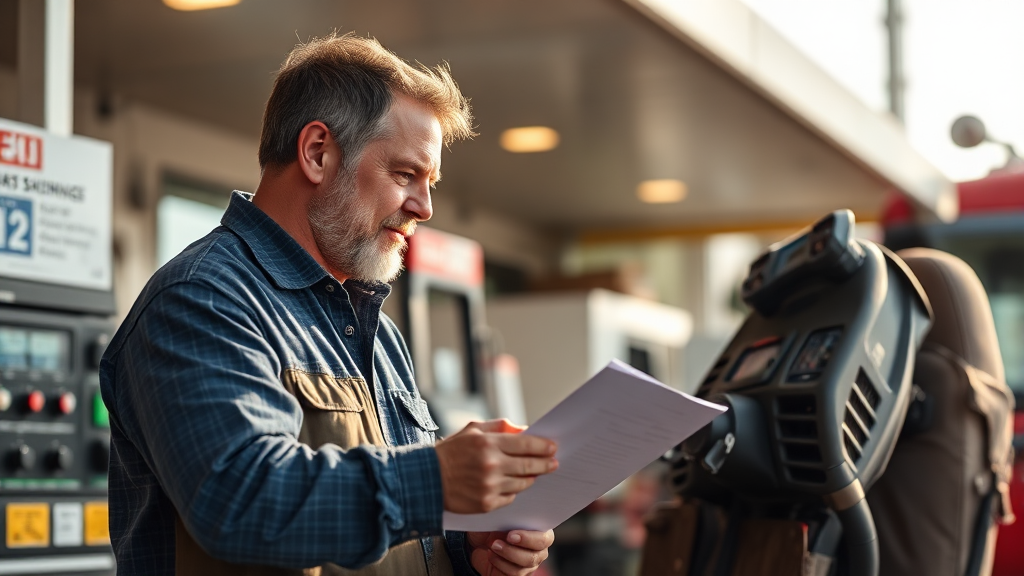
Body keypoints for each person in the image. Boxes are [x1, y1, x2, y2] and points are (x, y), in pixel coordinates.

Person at [100, 33, 558, 576]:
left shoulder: (379, 335)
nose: (426, 207)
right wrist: (437, 479)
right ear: (317, 152)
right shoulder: (203, 301)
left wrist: (471, 549)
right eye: (405, 174)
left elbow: (397, 534)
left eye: (430, 182)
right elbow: (241, 502)